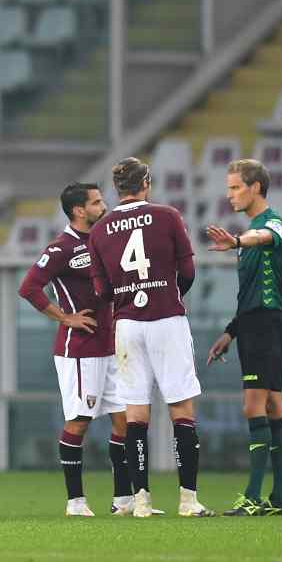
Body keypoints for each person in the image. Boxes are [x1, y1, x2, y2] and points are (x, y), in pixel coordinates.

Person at [86, 157, 213, 518]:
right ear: (146, 184)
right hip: (166, 319)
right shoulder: (168, 216)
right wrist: (167, 294)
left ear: (117, 189)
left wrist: (130, 296)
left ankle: (141, 500)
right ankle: (188, 500)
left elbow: (101, 290)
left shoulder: (99, 230)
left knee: (136, 413)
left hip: (127, 325)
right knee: (181, 408)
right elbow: (187, 271)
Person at [19, 183, 147, 517]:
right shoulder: (61, 248)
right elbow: (29, 287)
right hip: (79, 351)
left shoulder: (104, 239)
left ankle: (123, 500)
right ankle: (75, 502)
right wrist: (65, 317)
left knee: (123, 421)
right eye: (96, 202)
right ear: (79, 210)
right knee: (79, 421)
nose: (103, 206)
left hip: (110, 347)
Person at [205, 159, 282, 516]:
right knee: (272, 404)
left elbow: (268, 237)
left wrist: (239, 240)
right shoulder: (249, 234)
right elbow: (250, 293)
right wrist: (231, 331)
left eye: (235, 188)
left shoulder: (270, 224)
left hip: (267, 323)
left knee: (253, 405)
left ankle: (254, 497)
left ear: (255, 187)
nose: (230, 196)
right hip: (255, 322)